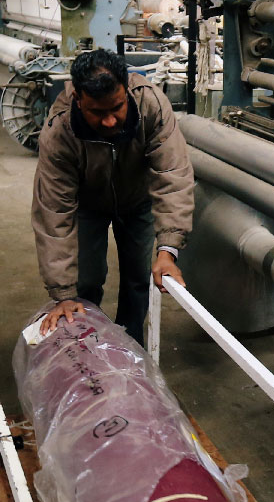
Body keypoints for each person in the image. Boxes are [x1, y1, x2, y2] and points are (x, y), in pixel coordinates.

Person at [32, 47, 194, 343]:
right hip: (87, 205)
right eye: (97, 112)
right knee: (86, 283)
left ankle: (129, 348)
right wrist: (63, 294)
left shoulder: (151, 105)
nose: (108, 121)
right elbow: (54, 214)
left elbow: (173, 176)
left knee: (139, 278)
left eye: (116, 108)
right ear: (78, 100)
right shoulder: (60, 132)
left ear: (127, 89)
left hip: (138, 201)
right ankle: (86, 349)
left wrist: (168, 248)